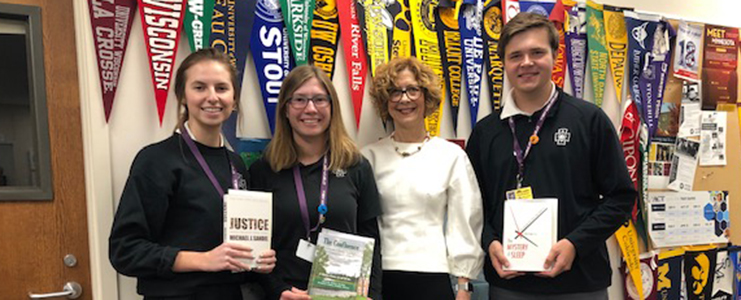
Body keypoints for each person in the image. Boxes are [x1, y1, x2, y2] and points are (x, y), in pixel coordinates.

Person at [465, 12, 636, 299]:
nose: (527, 63)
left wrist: (575, 243)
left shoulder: (589, 120)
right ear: (504, 63)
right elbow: (472, 206)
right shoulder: (485, 133)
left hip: (580, 283)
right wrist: (490, 242)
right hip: (509, 285)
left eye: (537, 52)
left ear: (555, 55)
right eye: (515, 55)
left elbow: (621, 197)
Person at [109, 48, 277, 300]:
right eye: (199, 87)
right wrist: (203, 260)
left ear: (233, 98)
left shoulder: (236, 165)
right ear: (183, 96)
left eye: (221, 88)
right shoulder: (156, 160)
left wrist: (257, 259)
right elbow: (125, 251)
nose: (212, 97)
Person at [248, 65, 382, 300]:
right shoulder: (264, 170)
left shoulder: (356, 166)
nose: (310, 108)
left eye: (320, 99)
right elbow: (253, 246)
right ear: (285, 110)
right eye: (299, 99)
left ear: (332, 107)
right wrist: (278, 290)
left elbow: (372, 239)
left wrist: (372, 294)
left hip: (344, 295)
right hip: (286, 295)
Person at [361, 57, 484, 300]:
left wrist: (463, 288)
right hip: (378, 279)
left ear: (426, 97)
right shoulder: (367, 157)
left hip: (432, 277)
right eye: (395, 92)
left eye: (412, 90)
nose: (404, 99)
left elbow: (465, 223)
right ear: (385, 102)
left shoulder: (451, 156)